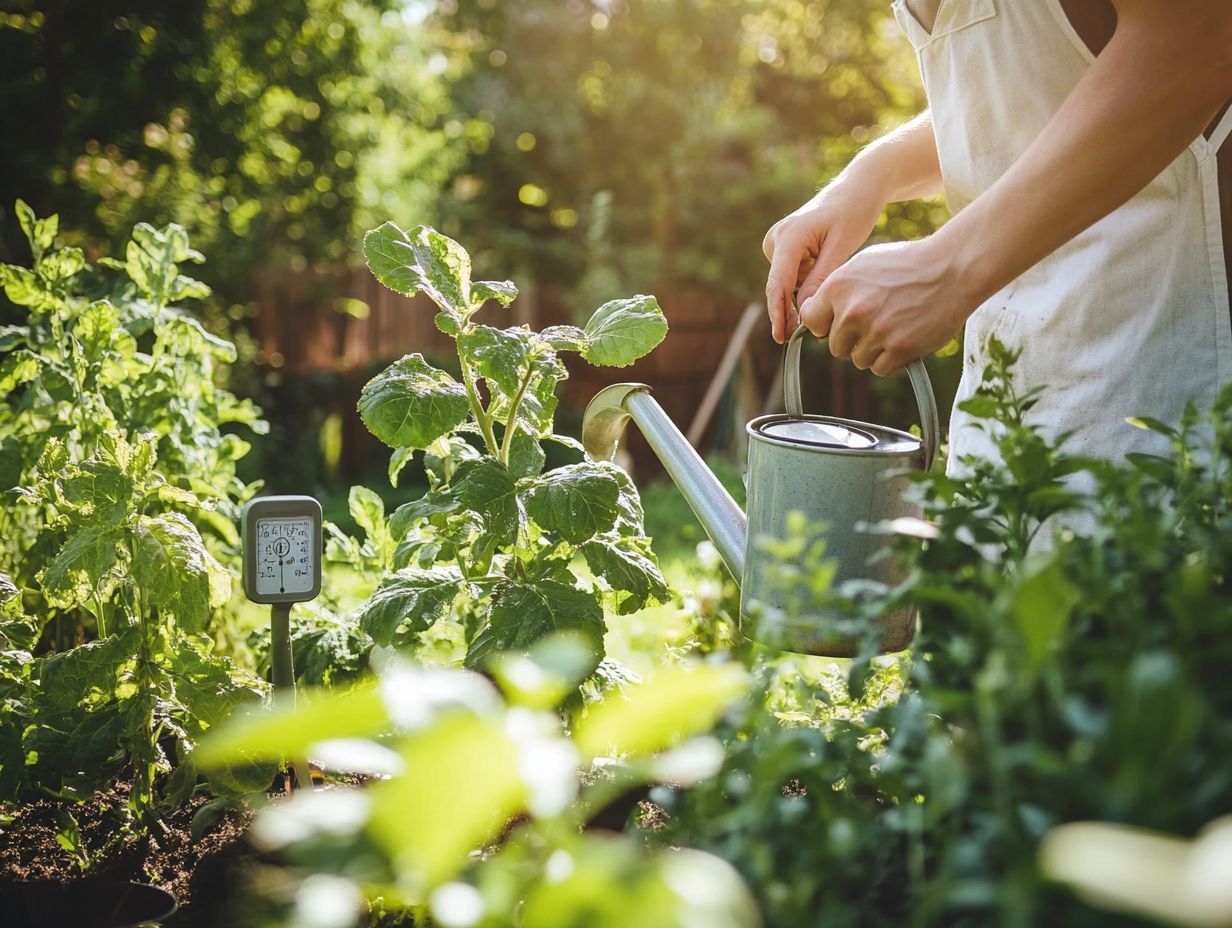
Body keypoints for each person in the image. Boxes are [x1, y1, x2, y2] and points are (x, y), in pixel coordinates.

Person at [762, 0, 1232, 481]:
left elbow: (1198, 38)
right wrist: (869, 178)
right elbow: (1034, 89)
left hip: (1160, 413)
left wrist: (949, 266)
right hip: (1005, 418)